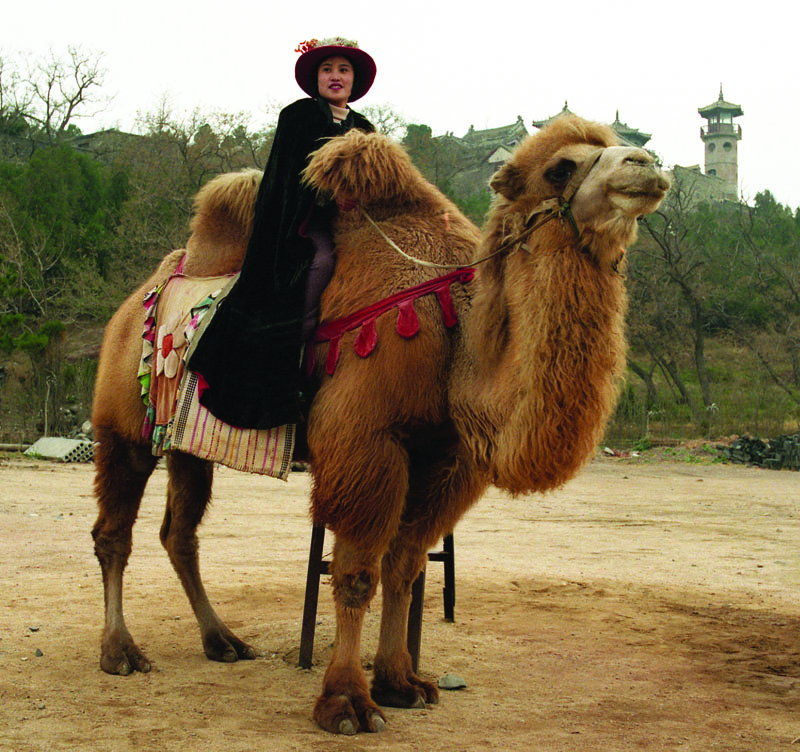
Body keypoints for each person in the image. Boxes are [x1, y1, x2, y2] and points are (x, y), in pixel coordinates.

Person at [187, 37, 376, 429]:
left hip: (355, 225)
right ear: (316, 79)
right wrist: (329, 196)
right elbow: (290, 177)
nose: (335, 76)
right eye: (328, 69)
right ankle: (295, 359)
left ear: (354, 81)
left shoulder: (365, 128)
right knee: (321, 261)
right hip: (302, 225)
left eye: (344, 70)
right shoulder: (299, 116)